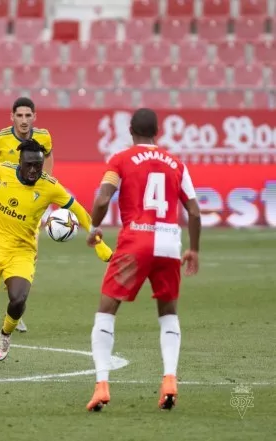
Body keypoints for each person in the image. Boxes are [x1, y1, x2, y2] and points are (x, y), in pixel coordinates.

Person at [0, 139, 114, 371]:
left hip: (22, 252)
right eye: (29, 165)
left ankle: (5, 333)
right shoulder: (4, 171)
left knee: (19, 298)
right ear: (20, 161)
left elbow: (78, 210)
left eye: (38, 166)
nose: (33, 171)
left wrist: (97, 239)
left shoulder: (49, 186)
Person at [84, 108, 201, 412]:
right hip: (168, 243)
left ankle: (101, 384)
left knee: (106, 311)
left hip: (135, 242)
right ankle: (170, 379)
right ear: (158, 132)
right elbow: (195, 211)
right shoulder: (177, 163)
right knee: (168, 312)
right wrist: (194, 249)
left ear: (130, 131)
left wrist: (95, 228)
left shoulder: (120, 159)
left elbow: (101, 199)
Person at [0, 97, 53, 333]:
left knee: (24, 260)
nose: (24, 121)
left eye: (28, 116)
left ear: (34, 117)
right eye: (20, 116)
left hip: (27, 214)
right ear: (12, 117)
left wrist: (45, 190)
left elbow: (48, 161)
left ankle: (14, 310)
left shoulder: (44, 137)